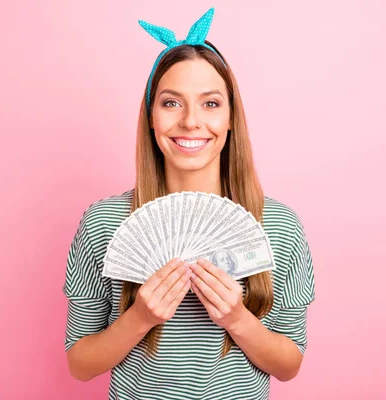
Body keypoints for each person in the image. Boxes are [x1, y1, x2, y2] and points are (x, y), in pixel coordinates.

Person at [62, 8, 315, 400]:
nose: (191, 122)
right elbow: (80, 364)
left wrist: (236, 318)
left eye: (211, 104)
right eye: (171, 103)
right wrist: (141, 318)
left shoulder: (278, 225)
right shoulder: (104, 222)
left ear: (232, 117)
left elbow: (289, 364)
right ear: (150, 116)